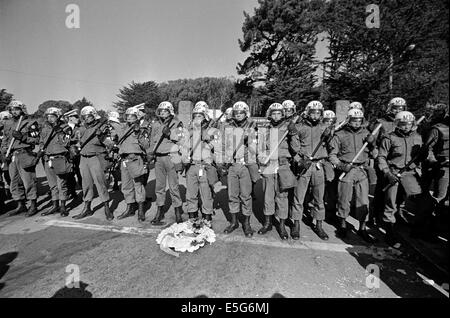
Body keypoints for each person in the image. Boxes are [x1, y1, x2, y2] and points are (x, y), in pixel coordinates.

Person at [377, 110, 436, 245]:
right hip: (394, 172)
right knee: (391, 203)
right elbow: (381, 157)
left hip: (410, 172)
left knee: (423, 199)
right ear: (398, 124)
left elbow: (426, 156)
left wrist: (426, 155)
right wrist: (387, 173)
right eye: (403, 124)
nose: (406, 127)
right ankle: (389, 231)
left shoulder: (417, 137)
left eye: (409, 124)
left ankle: (419, 229)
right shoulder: (389, 137)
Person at [328, 108, 377, 243]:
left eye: (359, 120)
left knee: (363, 201)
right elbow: (332, 155)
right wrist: (341, 165)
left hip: (361, 171)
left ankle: (362, 228)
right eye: (354, 120)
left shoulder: (367, 134)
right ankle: (342, 225)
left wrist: (373, 144)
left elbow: (375, 155)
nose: (356, 123)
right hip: (347, 170)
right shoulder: (339, 135)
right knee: (344, 199)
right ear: (349, 120)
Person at [290, 101, 332, 240]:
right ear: (308, 112)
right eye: (313, 112)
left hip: (318, 165)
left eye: (318, 112)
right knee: (299, 197)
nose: (315, 115)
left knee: (319, 197)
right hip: (304, 165)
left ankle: (319, 225)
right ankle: (296, 224)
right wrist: (300, 161)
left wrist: (330, 135)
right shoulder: (299, 127)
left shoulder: (325, 128)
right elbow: (294, 149)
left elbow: (332, 147)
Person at [218, 101, 257, 237]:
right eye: (236, 113)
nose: (238, 115)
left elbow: (257, 148)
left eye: (241, 112)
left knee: (246, 195)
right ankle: (234, 222)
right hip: (232, 165)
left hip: (245, 164)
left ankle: (246, 223)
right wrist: (222, 162)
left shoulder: (253, 126)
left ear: (246, 113)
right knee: (232, 195)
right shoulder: (227, 127)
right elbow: (222, 145)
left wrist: (249, 138)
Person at [370, 97, 408, 225]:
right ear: (390, 108)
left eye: (401, 108)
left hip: (400, 161)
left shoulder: (405, 121)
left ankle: (397, 213)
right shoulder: (381, 122)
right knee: (382, 188)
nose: (398, 110)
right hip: (384, 160)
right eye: (396, 107)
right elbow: (372, 143)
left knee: (400, 190)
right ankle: (375, 213)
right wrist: (376, 156)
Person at [72, 106, 113, 220]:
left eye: (89, 116)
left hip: (96, 157)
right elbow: (74, 142)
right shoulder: (80, 129)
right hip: (83, 158)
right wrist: (73, 148)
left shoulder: (103, 127)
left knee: (101, 183)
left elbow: (110, 143)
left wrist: (101, 136)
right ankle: (87, 208)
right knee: (86, 184)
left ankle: (107, 207)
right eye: (84, 117)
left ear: (94, 116)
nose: (87, 119)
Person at [257, 103, 292, 240]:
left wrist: (293, 133)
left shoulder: (288, 128)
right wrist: (261, 158)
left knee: (282, 196)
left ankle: (282, 225)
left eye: (279, 113)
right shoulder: (264, 129)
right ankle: (268, 223)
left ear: (282, 114)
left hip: (282, 165)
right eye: (274, 113)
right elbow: (259, 148)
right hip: (268, 165)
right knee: (268, 195)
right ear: (269, 114)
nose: (276, 116)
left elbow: (295, 147)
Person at [1, 100, 40, 217]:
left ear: (22, 109)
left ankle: (33, 205)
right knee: (14, 182)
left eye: (17, 109)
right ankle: (20, 205)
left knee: (28, 181)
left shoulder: (30, 123)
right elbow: (5, 140)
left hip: (25, 154)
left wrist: (23, 137)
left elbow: (37, 140)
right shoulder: (7, 123)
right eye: (12, 109)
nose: (14, 111)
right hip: (12, 155)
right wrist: (3, 153)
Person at [147, 101, 184, 225]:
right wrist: (150, 153)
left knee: (174, 186)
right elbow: (152, 141)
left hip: (171, 156)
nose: (162, 113)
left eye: (165, 111)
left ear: (170, 112)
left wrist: (170, 134)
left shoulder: (177, 123)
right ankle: (160, 210)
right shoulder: (155, 124)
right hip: (158, 158)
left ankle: (178, 211)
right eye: (161, 111)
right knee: (159, 187)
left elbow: (181, 139)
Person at [180, 102, 215, 222]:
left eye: (200, 116)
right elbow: (183, 146)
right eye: (195, 116)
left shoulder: (212, 129)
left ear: (205, 117)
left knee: (206, 193)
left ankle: (207, 217)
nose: (197, 118)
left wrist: (208, 138)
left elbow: (218, 146)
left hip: (204, 165)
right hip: (191, 166)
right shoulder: (188, 130)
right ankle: (192, 217)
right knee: (191, 194)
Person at [115, 107, 150, 222]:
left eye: (132, 116)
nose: (129, 118)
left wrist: (138, 133)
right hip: (124, 159)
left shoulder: (142, 129)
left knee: (138, 184)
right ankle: (129, 208)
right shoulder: (123, 127)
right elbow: (117, 141)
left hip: (135, 158)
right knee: (126, 185)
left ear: (137, 117)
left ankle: (140, 209)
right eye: (128, 116)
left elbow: (146, 145)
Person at [39, 107, 72, 217]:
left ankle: (63, 206)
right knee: (52, 185)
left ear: (58, 117)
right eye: (48, 117)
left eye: (52, 116)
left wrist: (60, 133)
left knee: (61, 184)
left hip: (60, 158)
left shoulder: (65, 128)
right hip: (47, 159)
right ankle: (55, 205)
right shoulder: (45, 129)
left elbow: (67, 143)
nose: (50, 119)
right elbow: (41, 143)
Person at [64, 109, 82, 199]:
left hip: (78, 153)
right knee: (69, 173)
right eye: (76, 117)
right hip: (68, 154)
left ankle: (84, 191)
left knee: (80, 172)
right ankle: (71, 191)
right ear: (70, 118)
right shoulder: (65, 128)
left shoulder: (79, 127)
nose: (78, 118)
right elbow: (64, 142)